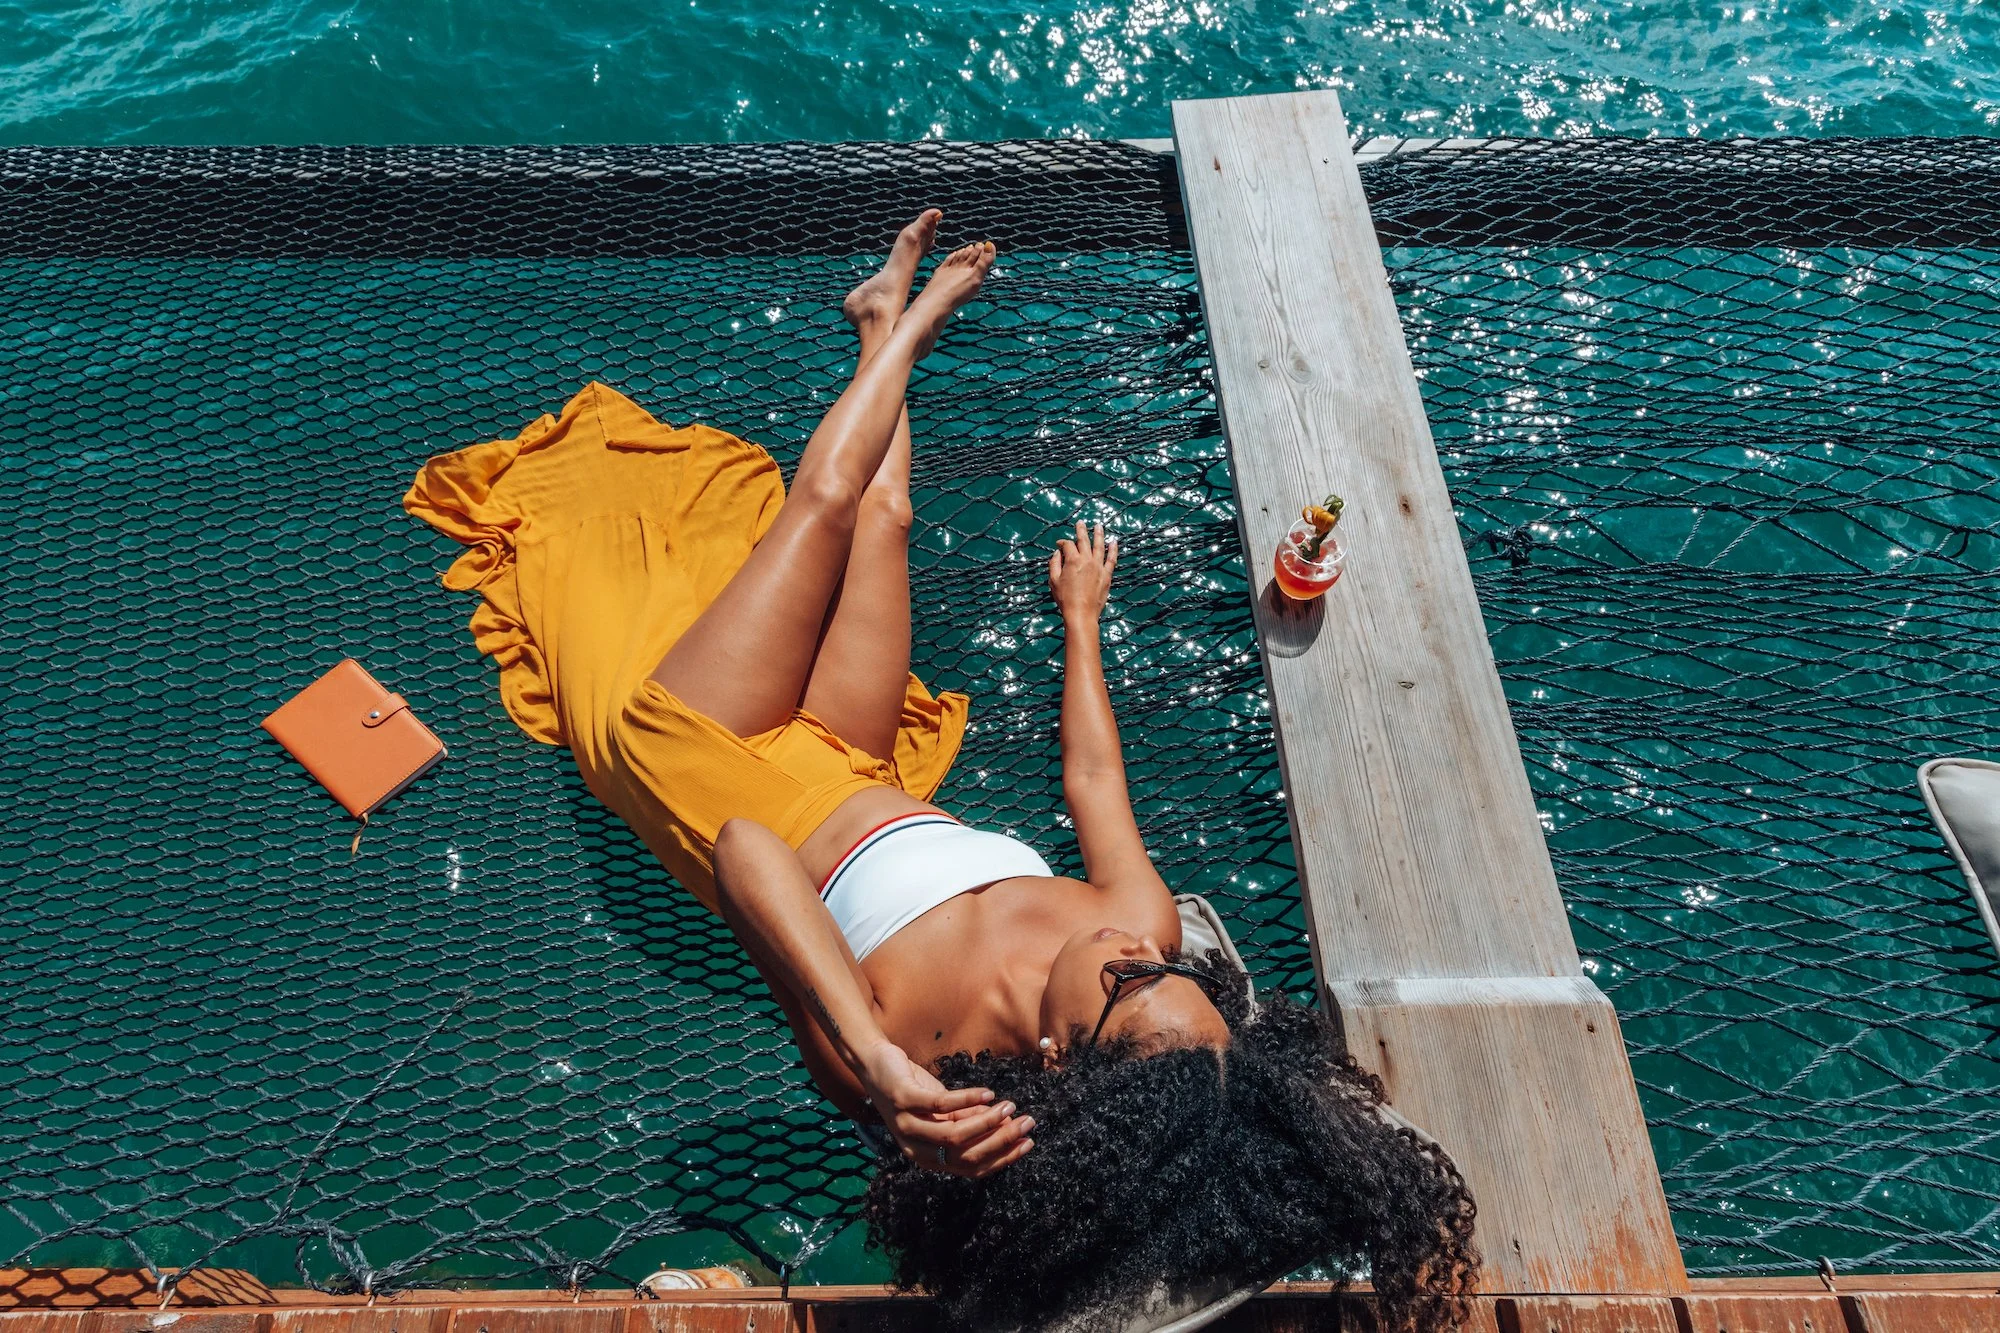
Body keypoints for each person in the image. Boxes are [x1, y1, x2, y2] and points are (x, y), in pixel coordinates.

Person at [407, 211, 1478, 1332]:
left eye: (1124, 990)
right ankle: (877, 320)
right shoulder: (1141, 925)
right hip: (853, 761)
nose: (1130, 955)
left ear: (1063, 1060)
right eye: (1181, 979)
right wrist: (1078, 623)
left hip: (713, 764)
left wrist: (869, 1061)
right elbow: (1093, 786)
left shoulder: (924, 1059)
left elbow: (746, 854)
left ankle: (906, 326)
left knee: (824, 505)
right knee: (887, 514)